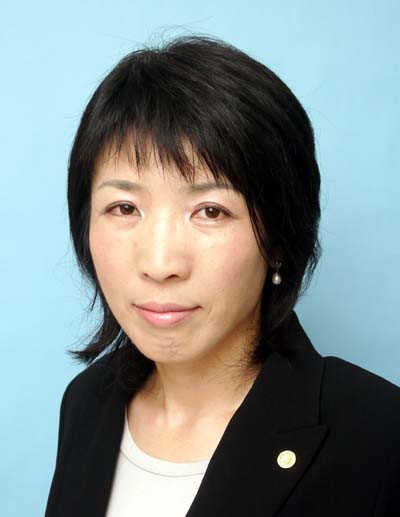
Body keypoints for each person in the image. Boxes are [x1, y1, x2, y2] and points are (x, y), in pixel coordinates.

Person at [45, 35, 400, 517]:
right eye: (124, 207)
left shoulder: (378, 433)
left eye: (210, 211)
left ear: (279, 236)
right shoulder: (88, 401)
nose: (160, 263)